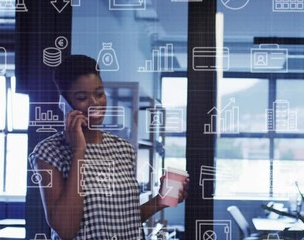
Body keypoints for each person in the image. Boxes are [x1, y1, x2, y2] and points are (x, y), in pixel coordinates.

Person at [29, 55, 188, 239]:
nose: (95, 103)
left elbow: (124, 220)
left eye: (99, 93)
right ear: (64, 103)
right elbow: (65, 229)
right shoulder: (48, 153)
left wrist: (159, 202)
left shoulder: (123, 149)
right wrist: (78, 152)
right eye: (82, 97)